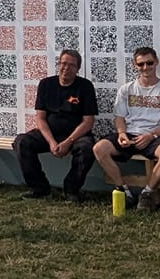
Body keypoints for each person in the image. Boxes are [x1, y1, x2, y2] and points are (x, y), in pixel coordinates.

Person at [93, 46, 160, 211]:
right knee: (99, 148)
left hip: (154, 136)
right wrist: (121, 133)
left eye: (149, 63)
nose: (145, 67)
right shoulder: (126, 89)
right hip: (129, 134)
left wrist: (151, 135)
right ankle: (124, 191)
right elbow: (119, 118)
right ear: (134, 65)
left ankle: (147, 193)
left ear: (156, 62)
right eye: (141, 64)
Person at [13, 49, 97, 202]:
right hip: (49, 134)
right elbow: (40, 118)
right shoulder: (46, 84)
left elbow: (88, 121)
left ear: (78, 68)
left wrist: (68, 142)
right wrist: (52, 142)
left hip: (76, 136)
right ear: (58, 64)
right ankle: (40, 189)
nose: (66, 68)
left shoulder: (85, 86)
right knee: (22, 142)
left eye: (72, 65)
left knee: (87, 148)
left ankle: (71, 190)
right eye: (63, 63)